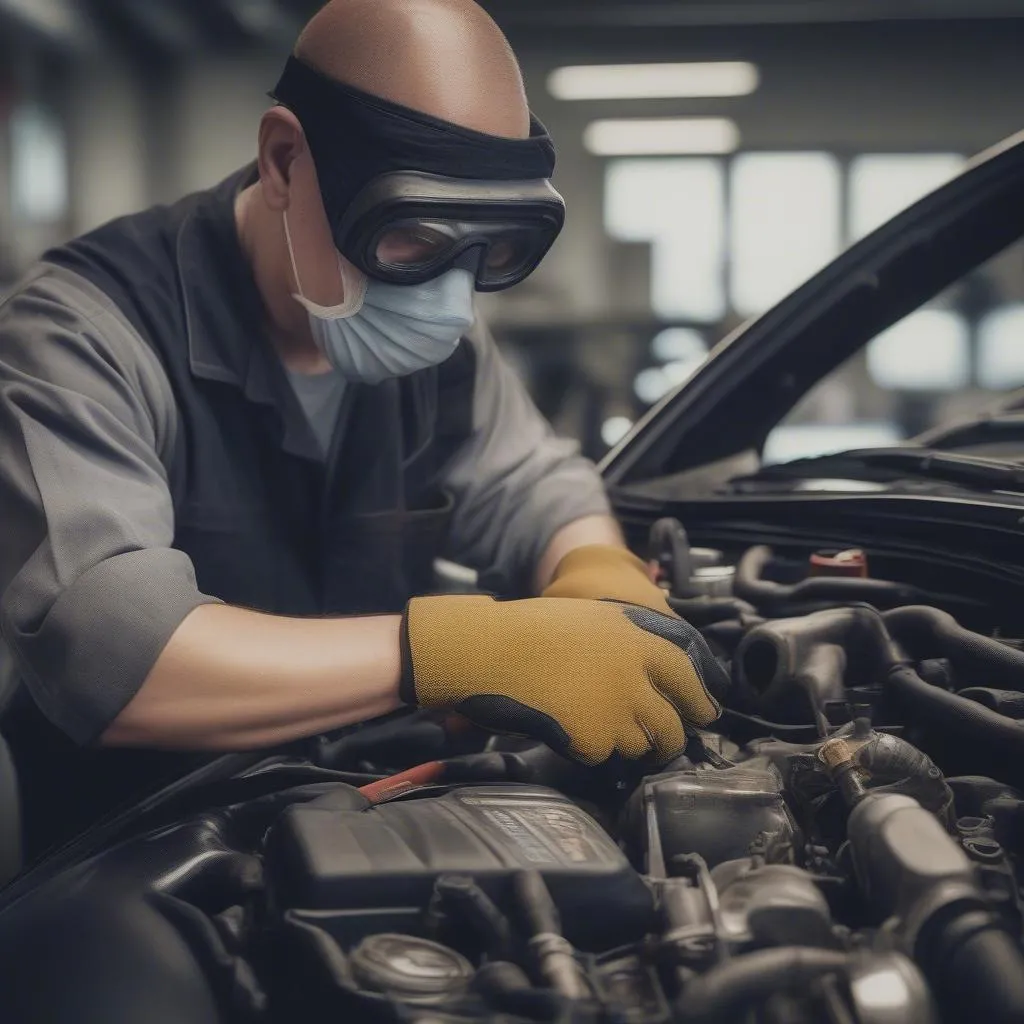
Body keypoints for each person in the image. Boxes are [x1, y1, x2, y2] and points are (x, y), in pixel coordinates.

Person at [0, 0, 728, 856]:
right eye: (413, 237)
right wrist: (463, 651)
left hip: (359, 815)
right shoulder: (82, 334)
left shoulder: (438, 346)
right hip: (127, 858)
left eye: (489, 253)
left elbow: (535, 483)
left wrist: (595, 567)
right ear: (284, 161)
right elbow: (114, 660)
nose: (450, 306)